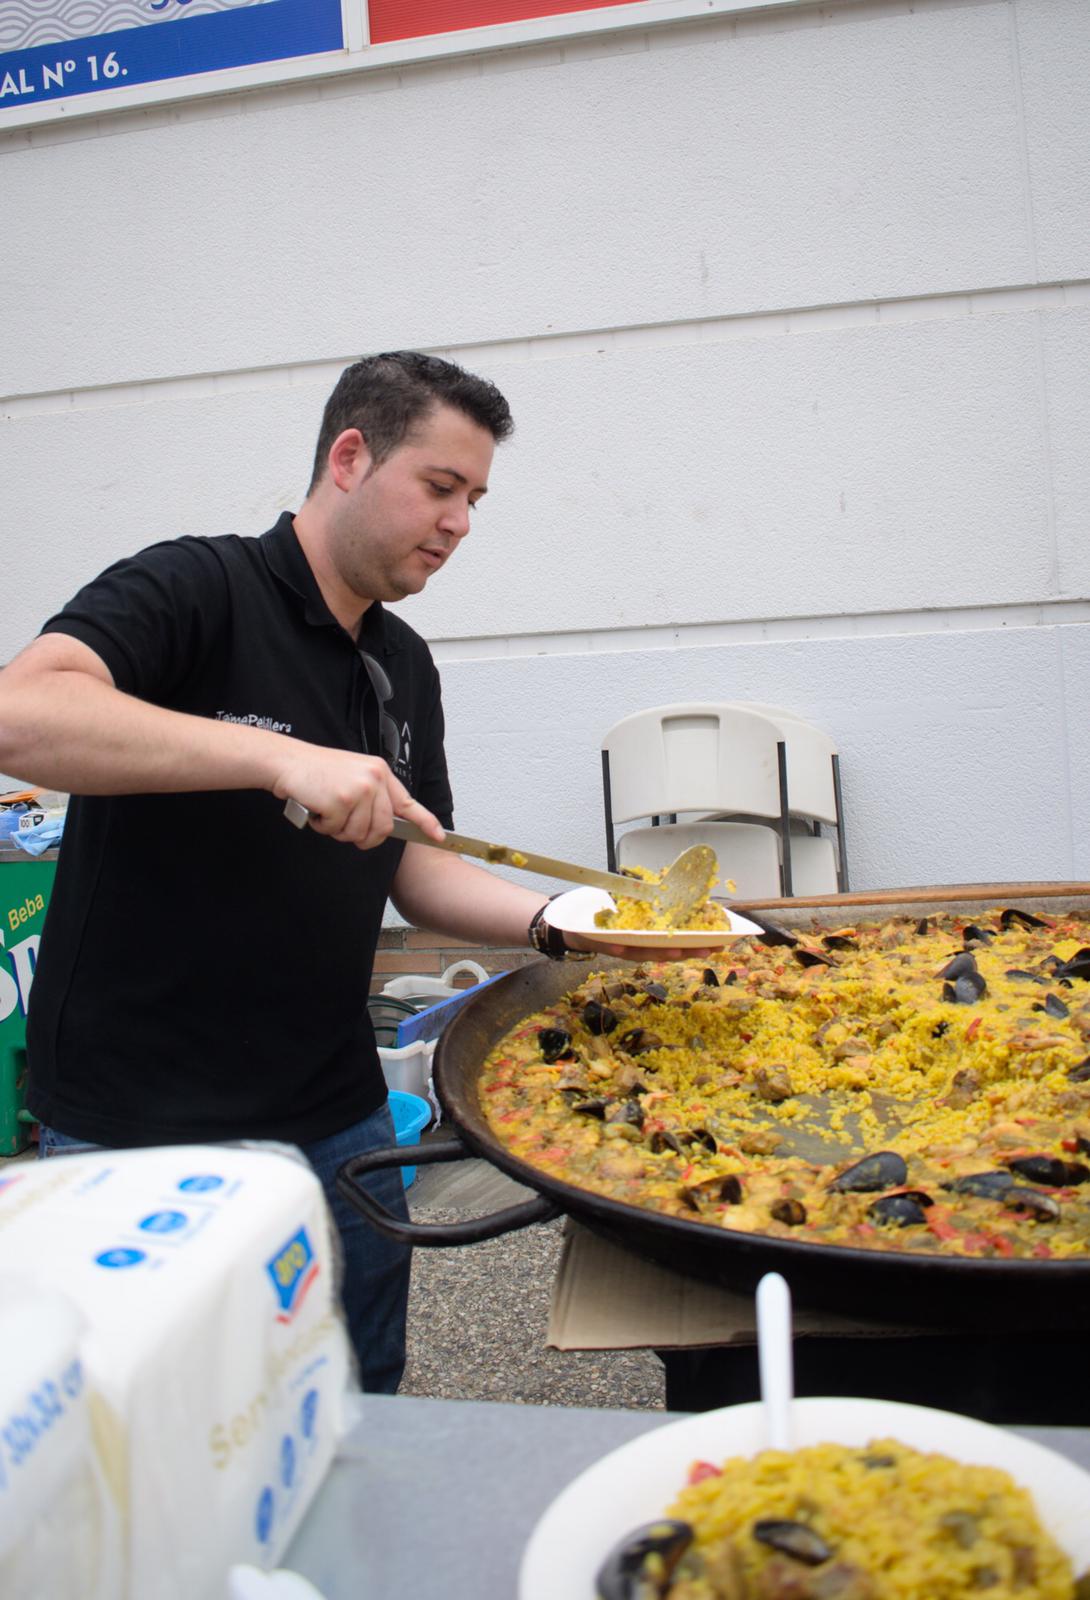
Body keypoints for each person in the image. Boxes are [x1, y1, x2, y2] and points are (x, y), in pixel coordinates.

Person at [0, 350, 692, 1392]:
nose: (460, 521)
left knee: (361, 1389)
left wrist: (566, 920)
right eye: (440, 486)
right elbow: (23, 716)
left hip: (335, 1109)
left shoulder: (402, 665)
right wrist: (277, 754)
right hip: (136, 1121)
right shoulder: (197, 586)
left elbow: (421, 873)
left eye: (475, 499)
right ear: (350, 456)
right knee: (155, 1411)